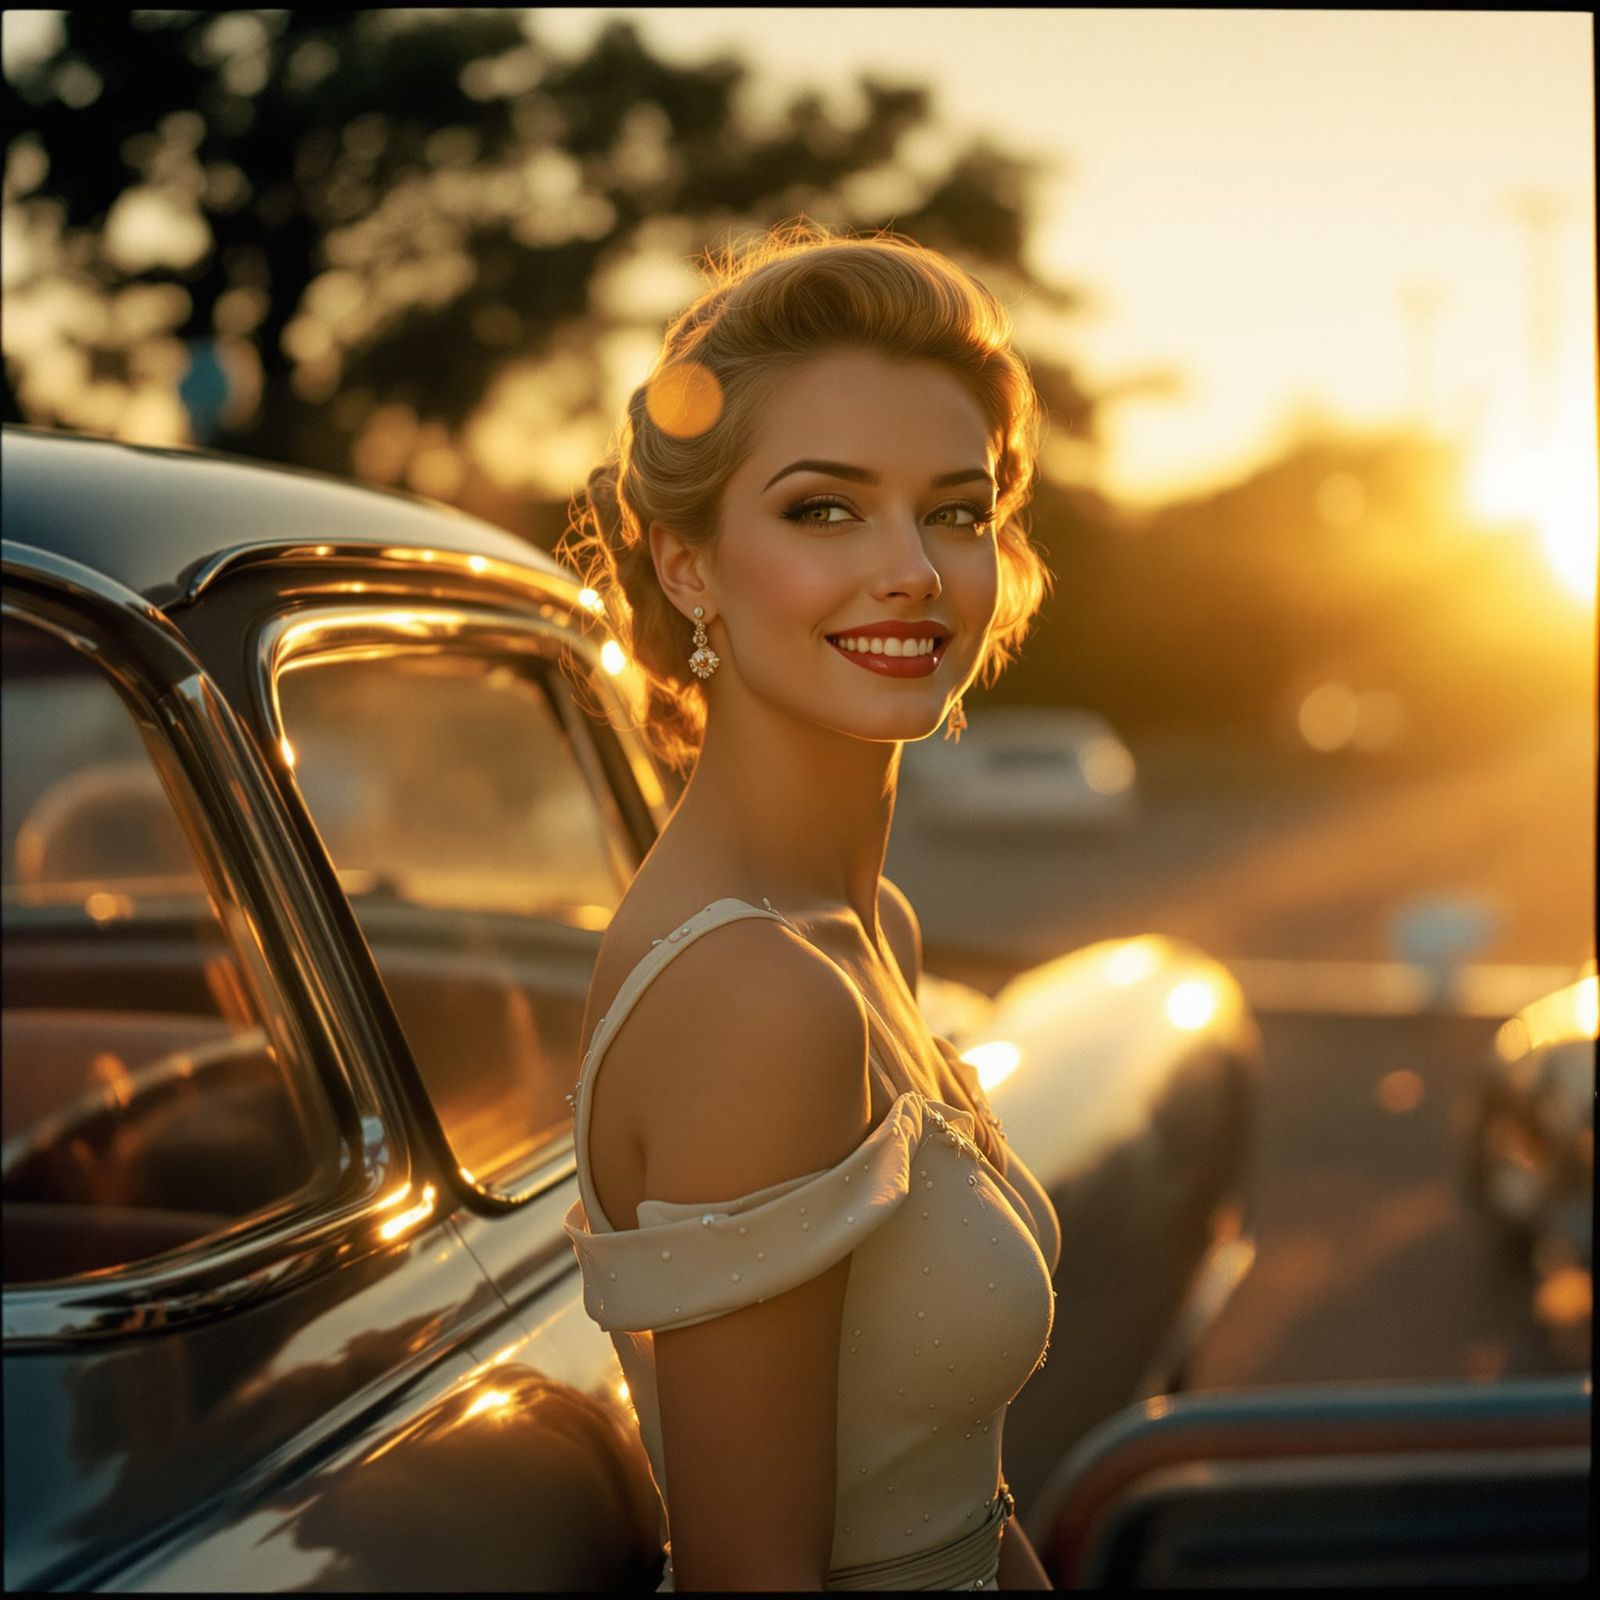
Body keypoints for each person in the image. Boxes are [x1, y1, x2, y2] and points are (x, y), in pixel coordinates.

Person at [558, 220, 1061, 1591]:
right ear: (688, 565)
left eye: (956, 511)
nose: (910, 567)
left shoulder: (866, 932)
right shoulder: (752, 994)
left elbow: (957, 1505)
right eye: (823, 507)